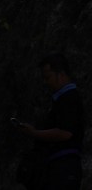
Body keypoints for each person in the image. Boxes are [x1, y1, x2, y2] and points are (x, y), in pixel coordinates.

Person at [16, 53, 85, 190]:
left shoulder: (68, 98)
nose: (46, 82)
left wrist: (34, 133)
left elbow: (65, 133)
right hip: (60, 165)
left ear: (61, 75)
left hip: (64, 166)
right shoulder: (62, 99)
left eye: (48, 77)